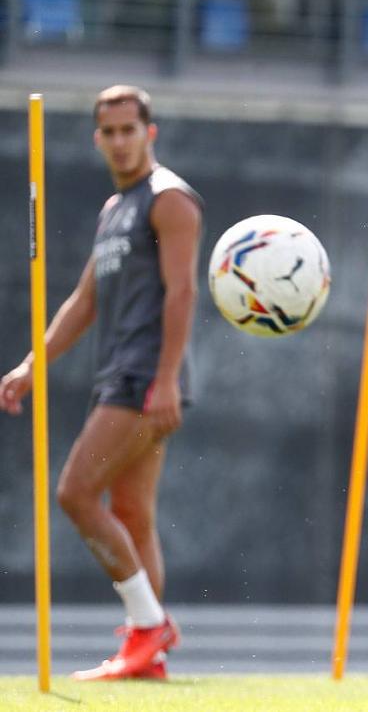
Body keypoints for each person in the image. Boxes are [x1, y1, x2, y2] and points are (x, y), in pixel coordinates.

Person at [0, 86, 203, 681]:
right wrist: (33, 364)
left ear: (150, 132)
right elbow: (85, 301)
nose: (119, 141)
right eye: (108, 132)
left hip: (145, 377)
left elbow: (184, 292)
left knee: (75, 494)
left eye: (128, 130)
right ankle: (150, 655)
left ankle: (149, 625)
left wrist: (166, 380)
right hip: (119, 372)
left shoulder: (170, 200)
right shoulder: (115, 210)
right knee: (133, 513)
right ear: (97, 138)